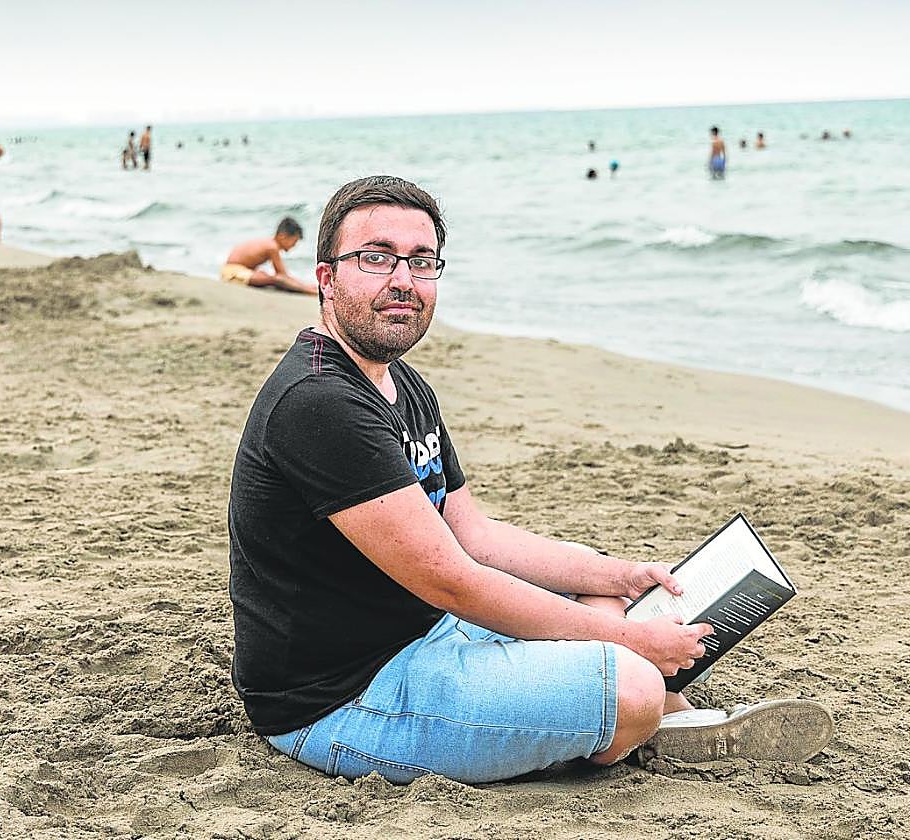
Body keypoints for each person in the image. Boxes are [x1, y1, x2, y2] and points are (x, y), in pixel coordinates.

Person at [227, 174, 834, 785]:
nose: (403, 281)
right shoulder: (319, 402)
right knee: (633, 683)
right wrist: (632, 642)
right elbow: (455, 582)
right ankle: (648, 722)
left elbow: (476, 536)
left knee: (609, 599)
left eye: (421, 262)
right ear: (327, 277)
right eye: (377, 258)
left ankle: (667, 722)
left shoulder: (400, 383)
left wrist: (618, 576)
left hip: (426, 633)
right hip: (344, 696)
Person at [221, 217, 317, 295]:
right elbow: (282, 275)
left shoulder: (269, 243)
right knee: (276, 280)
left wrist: (304, 284)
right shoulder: (272, 247)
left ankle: (308, 288)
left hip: (236, 270)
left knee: (265, 275)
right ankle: (311, 291)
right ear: (283, 236)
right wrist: (306, 288)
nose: (294, 246)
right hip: (233, 272)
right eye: (294, 241)